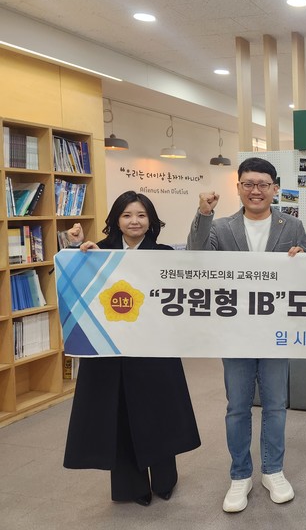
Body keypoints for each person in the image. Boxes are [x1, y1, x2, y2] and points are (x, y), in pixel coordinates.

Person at [186, 157, 306, 513]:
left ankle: (273, 470)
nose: (256, 190)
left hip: (276, 331)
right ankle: (240, 475)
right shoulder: (220, 227)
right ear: (238, 187)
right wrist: (203, 213)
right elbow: (195, 257)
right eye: (249, 184)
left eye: (263, 184)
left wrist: (304, 257)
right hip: (235, 331)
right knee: (238, 407)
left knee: (275, 405)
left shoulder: (292, 225)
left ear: (275, 188)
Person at [63, 191, 201, 506]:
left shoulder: (164, 254)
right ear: (116, 220)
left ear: (150, 220)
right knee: (120, 414)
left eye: (141, 215)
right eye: (127, 215)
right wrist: (75, 249)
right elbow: (72, 283)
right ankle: (131, 487)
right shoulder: (98, 251)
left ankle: (165, 480)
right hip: (110, 350)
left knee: (158, 412)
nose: (134, 221)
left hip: (153, 349)